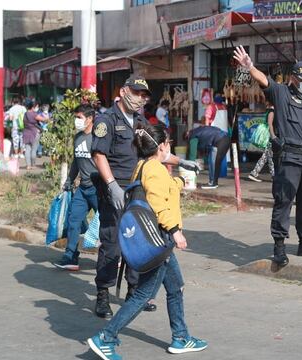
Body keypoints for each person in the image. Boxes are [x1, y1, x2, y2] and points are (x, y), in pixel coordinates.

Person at [87, 123, 208, 360]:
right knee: (143, 295)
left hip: (155, 239)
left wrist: (181, 183)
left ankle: (181, 337)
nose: (169, 147)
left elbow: (160, 190)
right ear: (162, 146)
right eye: (168, 143)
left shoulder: (143, 166)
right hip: (159, 238)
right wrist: (175, 231)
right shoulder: (154, 168)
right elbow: (158, 203)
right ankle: (106, 337)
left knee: (176, 287)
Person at [91, 75, 200, 319]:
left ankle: (134, 293)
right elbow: (99, 155)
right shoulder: (107, 120)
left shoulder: (141, 121)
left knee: (138, 242)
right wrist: (111, 186)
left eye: (143, 95)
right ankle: (103, 295)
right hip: (115, 190)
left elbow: (156, 152)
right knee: (113, 244)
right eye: (136, 92)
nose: (140, 98)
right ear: (123, 91)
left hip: (139, 190)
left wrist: (181, 161)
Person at [234, 46, 302, 266]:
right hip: (289, 160)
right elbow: (264, 80)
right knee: (284, 202)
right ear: (293, 79)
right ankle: (279, 247)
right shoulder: (281, 94)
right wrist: (249, 66)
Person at [52, 105, 99, 271]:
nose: (76, 121)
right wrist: (69, 180)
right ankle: (71, 257)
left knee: (108, 224)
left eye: (79, 117)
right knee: (73, 220)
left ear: (90, 118)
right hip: (83, 188)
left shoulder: (98, 138)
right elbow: (75, 163)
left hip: (98, 189)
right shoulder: (78, 138)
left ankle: (117, 256)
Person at [188, 125, 230, 189]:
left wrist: (190, 167)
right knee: (211, 160)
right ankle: (211, 182)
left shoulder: (193, 135)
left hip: (221, 140)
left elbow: (192, 155)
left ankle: (214, 183)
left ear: (187, 135)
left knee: (214, 162)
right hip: (222, 139)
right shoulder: (198, 130)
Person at [248, 103, 276, 182]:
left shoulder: (270, 110)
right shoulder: (272, 111)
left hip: (269, 137)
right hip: (269, 137)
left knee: (267, 156)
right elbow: (270, 125)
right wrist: (273, 136)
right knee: (269, 156)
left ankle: (255, 173)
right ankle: (272, 175)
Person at [22, 101, 47, 170]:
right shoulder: (34, 114)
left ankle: (28, 165)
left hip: (26, 132)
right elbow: (44, 120)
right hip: (34, 132)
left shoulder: (25, 114)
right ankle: (33, 165)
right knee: (34, 149)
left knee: (27, 149)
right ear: (33, 107)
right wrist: (46, 116)